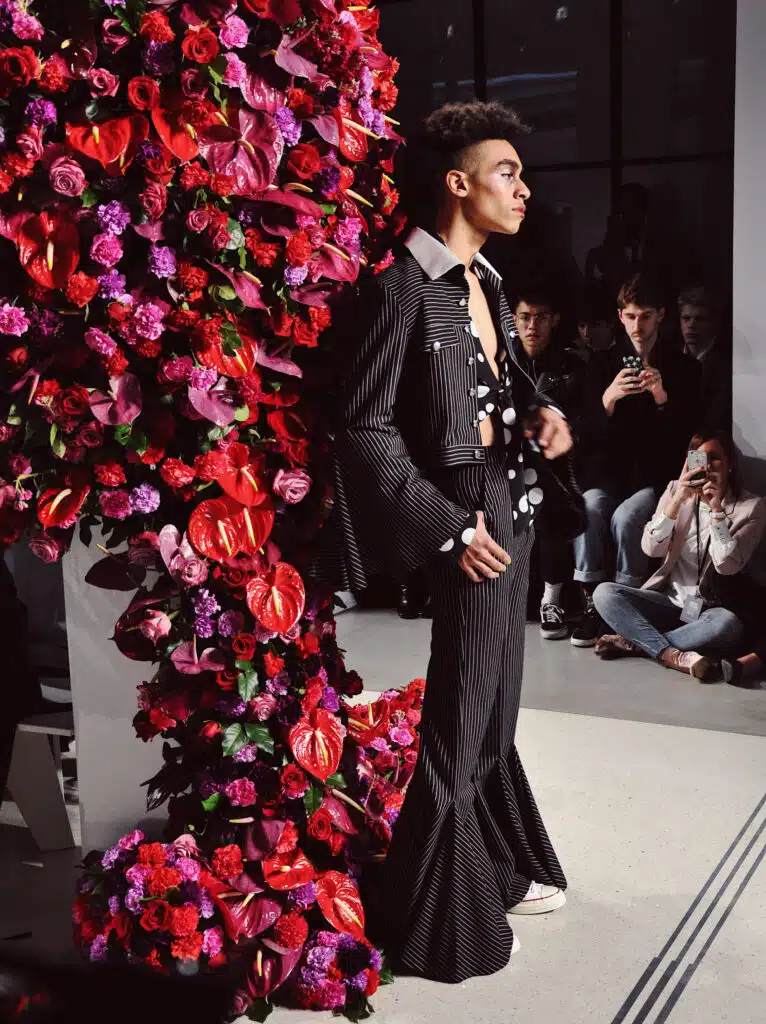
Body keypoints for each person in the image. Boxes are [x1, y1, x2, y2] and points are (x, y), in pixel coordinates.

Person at [329, 101, 571, 983]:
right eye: (506, 172)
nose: (523, 187)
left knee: (496, 710)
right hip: (467, 522)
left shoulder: (489, 281)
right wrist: (444, 529)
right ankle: (429, 918)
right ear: (458, 183)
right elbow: (363, 427)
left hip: (514, 511)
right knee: (461, 715)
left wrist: (546, 414)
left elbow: (503, 382)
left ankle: (492, 867)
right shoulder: (402, 286)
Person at [570, 273, 701, 647]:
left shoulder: (682, 367)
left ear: (660, 315)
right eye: (630, 316)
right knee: (590, 507)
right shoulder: (598, 366)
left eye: (645, 316)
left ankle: (623, 606)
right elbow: (582, 433)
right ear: (619, 316)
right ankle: (590, 601)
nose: (637, 325)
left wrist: (662, 397)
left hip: (651, 475)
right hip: (607, 474)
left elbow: (684, 439)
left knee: (628, 519)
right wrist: (608, 399)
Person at [592, 431, 766, 678]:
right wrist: (677, 502)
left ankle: (637, 643)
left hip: (711, 609)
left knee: (727, 625)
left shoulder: (752, 507)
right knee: (605, 593)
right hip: (668, 601)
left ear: (730, 465)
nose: (706, 465)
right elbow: (651, 548)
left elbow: (727, 566)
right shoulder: (675, 490)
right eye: (698, 458)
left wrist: (716, 510)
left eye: (715, 458)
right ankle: (672, 654)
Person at [513, 287, 583, 638]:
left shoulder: (573, 365)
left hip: (558, 466)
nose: (532, 326)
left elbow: (581, 426)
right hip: (507, 463)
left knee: (550, 500)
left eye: (540, 317)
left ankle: (551, 598)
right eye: (525, 316)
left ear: (554, 320)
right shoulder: (501, 360)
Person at [678, 284, 732, 431]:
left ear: (715, 322)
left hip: (708, 445)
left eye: (699, 319)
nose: (691, 325)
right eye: (686, 318)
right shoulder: (670, 358)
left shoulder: (726, 367)